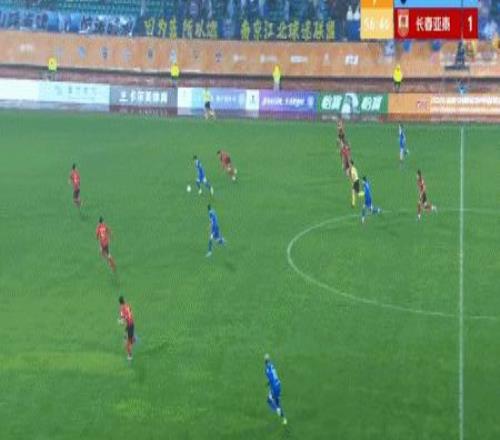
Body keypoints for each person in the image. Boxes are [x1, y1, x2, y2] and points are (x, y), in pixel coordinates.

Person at [264, 354, 287, 425]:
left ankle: (277, 409)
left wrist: (270, 385)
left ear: (265, 362)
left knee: (269, 400)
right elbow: (273, 376)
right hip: (278, 385)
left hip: (274, 387)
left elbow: (271, 379)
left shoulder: (267, 370)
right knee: (277, 402)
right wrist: (268, 383)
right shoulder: (272, 365)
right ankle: (284, 419)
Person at [118, 296, 135, 361]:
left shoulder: (121, 309)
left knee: (127, 345)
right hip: (131, 324)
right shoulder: (128, 305)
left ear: (119, 303)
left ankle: (130, 356)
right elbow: (130, 313)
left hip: (130, 325)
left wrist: (120, 321)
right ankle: (132, 339)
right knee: (126, 334)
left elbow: (122, 320)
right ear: (124, 300)